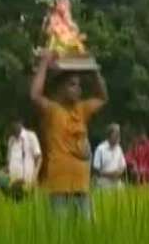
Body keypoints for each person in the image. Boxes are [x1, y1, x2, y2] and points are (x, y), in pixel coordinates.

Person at [30, 50, 107, 218]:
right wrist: (44, 63)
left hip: (82, 184)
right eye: (72, 84)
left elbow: (102, 98)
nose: (77, 89)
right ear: (61, 88)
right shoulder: (53, 111)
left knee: (87, 234)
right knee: (61, 236)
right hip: (59, 184)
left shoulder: (81, 110)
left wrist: (94, 69)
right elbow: (35, 95)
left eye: (79, 85)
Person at [6, 119, 42, 190]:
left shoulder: (30, 136)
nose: (13, 126)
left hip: (28, 181)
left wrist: (35, 176)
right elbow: (9, 160)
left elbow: (39, 158)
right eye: (12, 125)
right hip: (13, 182)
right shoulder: (11, 140)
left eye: (15, 124)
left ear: (20, 123)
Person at [92, 123, 127, 189]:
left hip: (116, 181)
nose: (118, 136)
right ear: (109, 135)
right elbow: (96, 169)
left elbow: (123, 166)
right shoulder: (100, 149)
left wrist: (118, 173)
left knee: (122, 190)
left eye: (118, 134)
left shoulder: (119, 149)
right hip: (104, 180)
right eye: (115, 134)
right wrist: (110, 174)